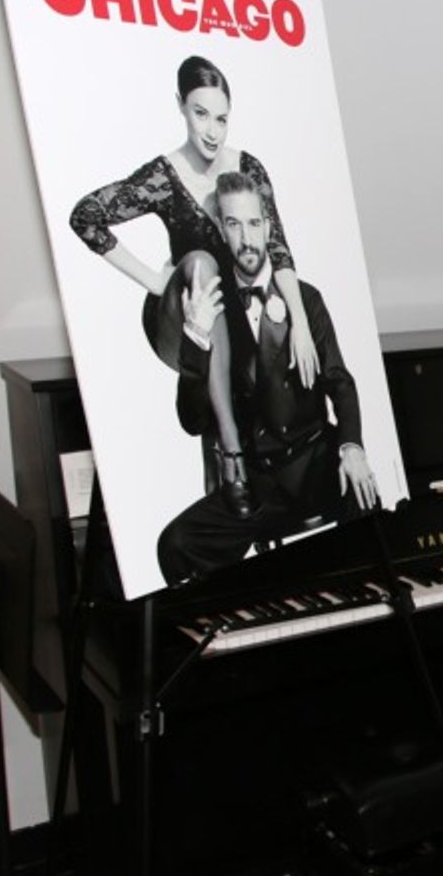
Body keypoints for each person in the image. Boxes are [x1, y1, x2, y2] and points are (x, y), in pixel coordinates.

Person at [70, 55, 320, 520]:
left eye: (221, 118)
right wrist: (155, 280)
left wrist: (301, 323)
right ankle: (231, 454)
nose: (211, 129)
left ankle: (288, 482)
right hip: (181, 320)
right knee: (202, 262)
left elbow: (278, 247)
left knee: (271, 331)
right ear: (181, 106)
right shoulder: (162, 176)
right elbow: (85, 217)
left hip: (230, 317)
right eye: (200, 113)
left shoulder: (248, 168)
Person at [156, 171, 376, 584]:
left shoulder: (304, 299)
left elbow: (340, 383)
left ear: (268, 227)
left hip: (316, 465)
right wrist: (196, 340)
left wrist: (351, 447)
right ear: (222, 229)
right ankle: (248, 633)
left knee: (367, 504)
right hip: (257, 486)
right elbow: (192, 421)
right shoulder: (213, 311)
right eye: (234, 224)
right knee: (176, 544)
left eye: (254, 223)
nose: (247, 238)